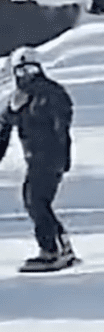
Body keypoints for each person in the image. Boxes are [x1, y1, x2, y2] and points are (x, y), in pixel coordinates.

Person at [0, 48, 76, 272]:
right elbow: (4, 127)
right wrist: (13, 110)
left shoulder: (51, 93)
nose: (26, 75)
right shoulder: (19, 97)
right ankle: (61, 246)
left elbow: (60, 122)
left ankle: (51, 250)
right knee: (36, 202)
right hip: (36, 158)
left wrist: (61, 157)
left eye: (31, 69)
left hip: (50, 158)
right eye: (21, 71)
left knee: (35, 201)